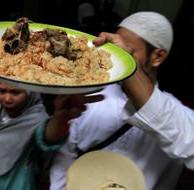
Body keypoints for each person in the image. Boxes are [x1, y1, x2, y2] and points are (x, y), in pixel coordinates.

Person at [49, 11, 194, 190]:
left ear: (158, 57)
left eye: (128, 52)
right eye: (116, 51)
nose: (117, 58)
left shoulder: (182, 119)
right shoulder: (90, 95)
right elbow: (64, 158)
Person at [0, 71, 104, 190]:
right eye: (2, 91)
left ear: (29, 93)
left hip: (19, 180)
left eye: (15, 92)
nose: (7, 99)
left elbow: (49, 138)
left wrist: (61, 117)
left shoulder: (37, 115)